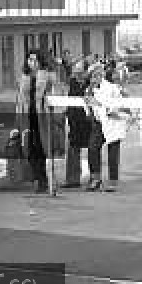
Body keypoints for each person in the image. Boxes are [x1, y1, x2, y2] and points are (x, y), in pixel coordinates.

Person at [15, 49, 65, 193]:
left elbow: (58, 92)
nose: (32, 63)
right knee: (29, 150)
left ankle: (44, 181)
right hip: (27, 117)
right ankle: (39, 177)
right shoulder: (24, 76)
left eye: (35, 60)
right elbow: (20, 98)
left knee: (42, 148)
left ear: (41, 61)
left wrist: (54, 109)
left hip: (43, 117)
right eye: (30, 60)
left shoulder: (49, 75)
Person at [84, 63, 130, 192]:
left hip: (113, 122)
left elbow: (119, 103)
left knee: (113, 153)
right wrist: (89, 112)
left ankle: (113, 181)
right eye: (93, 76)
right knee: (92, 148)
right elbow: (88, 107)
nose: (95, 78)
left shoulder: (112, 88)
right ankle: (95, 179)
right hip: (98, 124)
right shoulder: (88, 90)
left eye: (98, 75)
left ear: (102, 75)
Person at [62, 60, 92, 188]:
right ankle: (72, 180)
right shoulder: (73, 82)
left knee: (93, 149)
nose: (77, 75)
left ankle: (94, 178)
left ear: (86, 72)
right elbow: (70, 99)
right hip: (75, 121)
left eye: (80, 73)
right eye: (75, 73)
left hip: (89, 122)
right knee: (72, 149)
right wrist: (66, 113)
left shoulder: (91, 83)